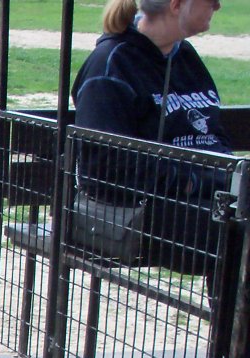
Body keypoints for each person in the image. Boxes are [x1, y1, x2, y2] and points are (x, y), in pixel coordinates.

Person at [71, 0, 234, 271]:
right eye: (210, 0)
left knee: (238, 226)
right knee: (238, 232)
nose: (217, 6)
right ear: (176, 5)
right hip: (133, 214)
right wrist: (192, 182)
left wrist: (229, 176)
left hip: (201, 200)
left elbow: (213, 132)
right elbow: (105, 167)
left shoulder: (185, 56)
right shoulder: (111, 64)